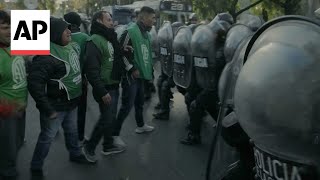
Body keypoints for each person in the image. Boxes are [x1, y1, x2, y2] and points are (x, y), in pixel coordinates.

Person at [28, 17, 94, 177]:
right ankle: (36, 167)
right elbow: (34, 86)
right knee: (47, 138)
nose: (70, 31)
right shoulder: (46, 57)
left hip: (71, 103)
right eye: (66, 30)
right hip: (55, 107)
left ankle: (75, 154)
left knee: (71, 132)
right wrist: (47, 109)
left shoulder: (69, 46)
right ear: (56, 33)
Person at [81, 11, 128, 162]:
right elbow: (92, 70)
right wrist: (102, 91)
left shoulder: (109, 37)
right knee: (106, 119)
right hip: (105, 88)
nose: (112, 22)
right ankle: (89, 148)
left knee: (109, 118)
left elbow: (112, 54)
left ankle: (107, 146)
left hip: (114, 84)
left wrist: (123, 50)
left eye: (111, 19)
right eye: (108, 19)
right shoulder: (94, 40)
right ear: (99, 22)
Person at [112, 6, 156, 143]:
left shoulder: (148, 35)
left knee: (140, 102)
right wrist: (131, 69)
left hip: (142, 75)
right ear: (143, 18)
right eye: (152, 17)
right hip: (131, 76)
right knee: (127, 106)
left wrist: (150, 72)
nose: (154, 20)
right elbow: (120, 53)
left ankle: (141, 125)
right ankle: (114, 135)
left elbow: (147, 55)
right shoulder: (130, 32)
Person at [0, 10, 28, 180]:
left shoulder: (14, 46)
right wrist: (7, 109)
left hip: (20, 111)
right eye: (4, 28)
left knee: (16, 145)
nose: (10, 31)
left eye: (11, 27)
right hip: (6, 116)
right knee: (7, 157)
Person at [64, 11, 90, 144]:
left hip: (63, 80)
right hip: (80, 80)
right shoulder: (85, 38)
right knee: (81, 111)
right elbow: (88, 60)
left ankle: (69, 136)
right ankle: (79, 137)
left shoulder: (59, 36)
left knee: (66, 110)